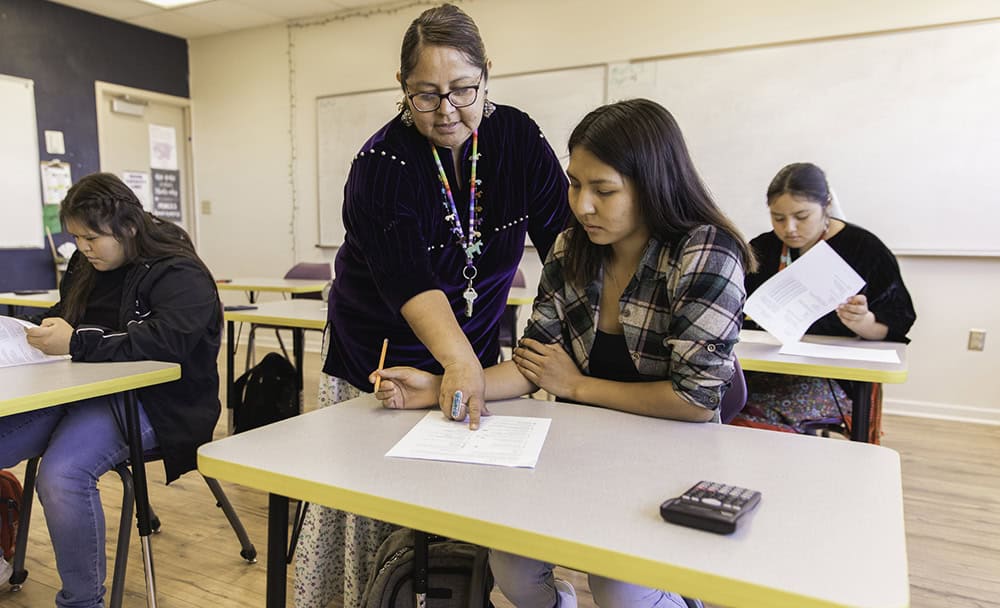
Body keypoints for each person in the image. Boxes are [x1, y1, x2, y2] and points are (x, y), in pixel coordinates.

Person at [373, 98, 754, 608]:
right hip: (580, 452)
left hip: (671, 454)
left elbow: (697, 400)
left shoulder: (705, 252)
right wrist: (447, 385)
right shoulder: (571, 248)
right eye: (575, 184)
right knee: (509, 565)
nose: (583, 205)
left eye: (604, 190)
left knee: (621, 587)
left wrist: (576, 386)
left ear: (653, 185)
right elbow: (534, 366)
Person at [294, 4, 570, 606]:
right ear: (402, 88)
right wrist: (460, 364)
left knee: (459, 504)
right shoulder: (381, 165)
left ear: (487, 74)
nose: (447, 111)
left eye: (463, 90)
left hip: (470, 347)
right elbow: (411, 283)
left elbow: (565, 246)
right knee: (372, 506)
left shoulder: (517, 138)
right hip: (382, 352)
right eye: (426, 95)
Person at [0, 172, 222, 608]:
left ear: (128, 226)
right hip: (78, 390)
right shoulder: (88, 264)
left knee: (62, 476)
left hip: (155, 403)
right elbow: (70, 315)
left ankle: (82, 603)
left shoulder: (179, 271)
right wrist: (32, 327)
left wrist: (76, 341)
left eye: (92, 238)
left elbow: (165, 342)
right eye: (76, 238)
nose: (82, 249)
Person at [732, 162, 916, 438]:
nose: (789, 228)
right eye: (778, 218)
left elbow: (896, 323)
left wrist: (863, 322)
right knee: (721, 399)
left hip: (830, 379)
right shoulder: (762, 249)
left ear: (826, 205)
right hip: (762, 366)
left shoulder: (864, 250)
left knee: (755, 414)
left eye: (802, 216)